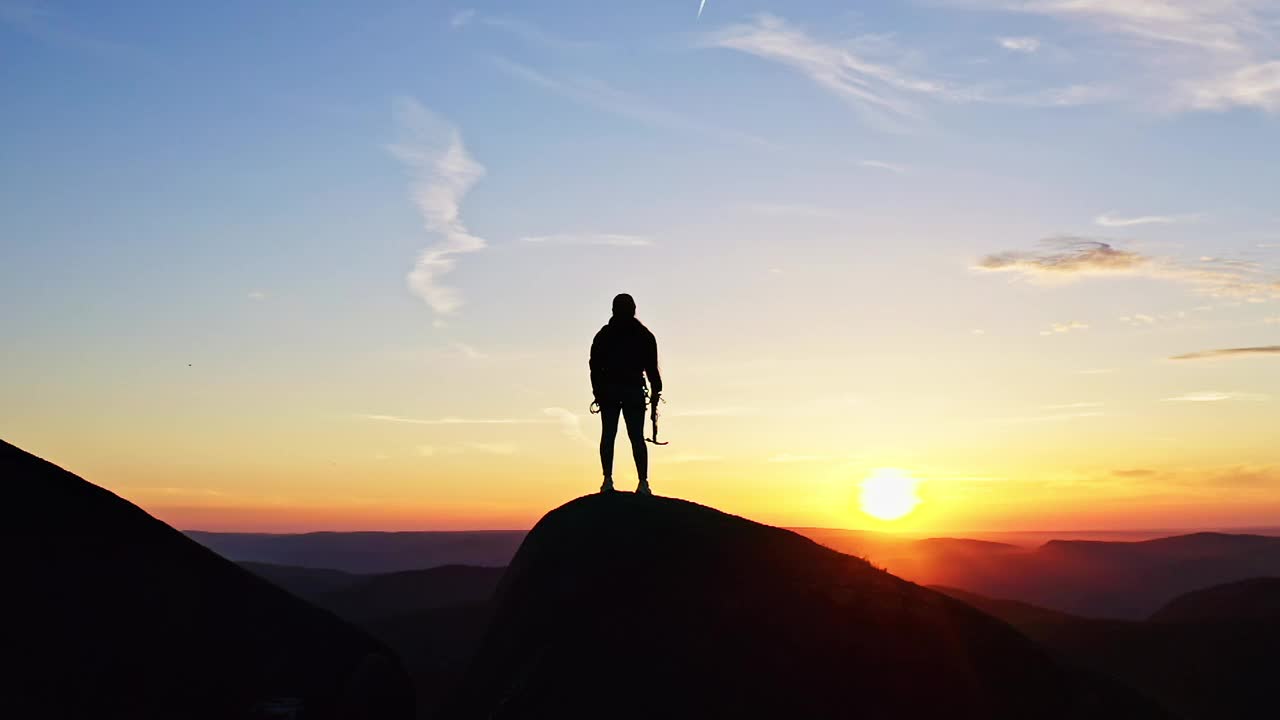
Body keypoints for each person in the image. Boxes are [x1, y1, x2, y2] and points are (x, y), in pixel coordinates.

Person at [590, 293, 662, 495]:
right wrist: (656, 389)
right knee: (634, 437)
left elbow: (594, 367)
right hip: (628, 390)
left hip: (614, 391)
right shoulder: (643, 335)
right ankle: (641, 483)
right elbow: (652, 368)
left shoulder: (604, 335)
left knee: (611, 435)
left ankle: (609, 480)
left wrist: (598, 390)